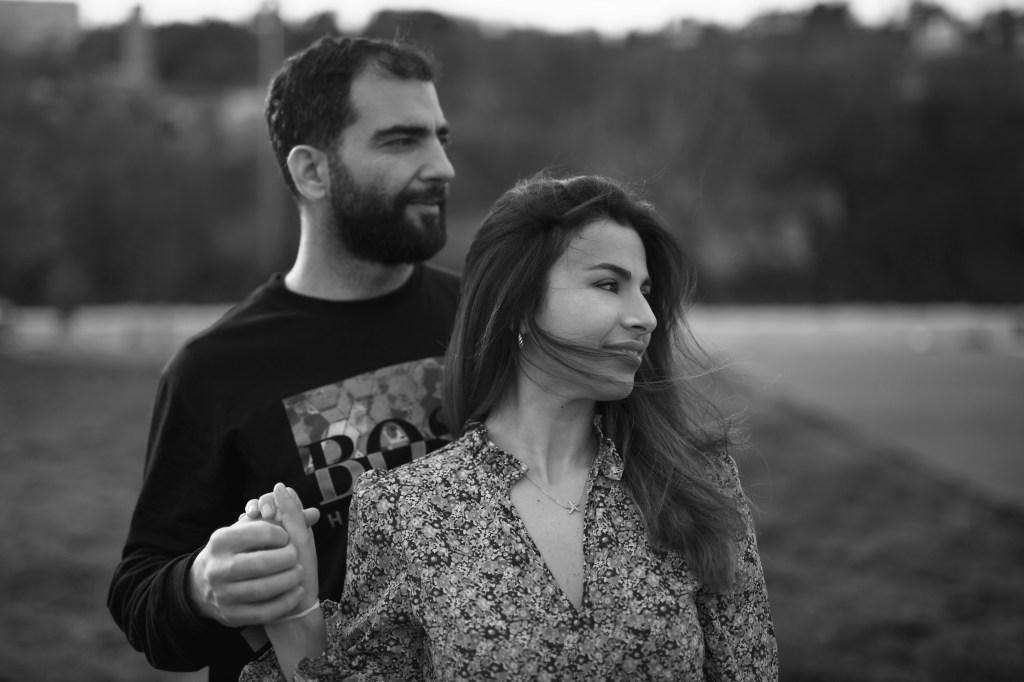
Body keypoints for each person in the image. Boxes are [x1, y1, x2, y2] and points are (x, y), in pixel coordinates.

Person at [241, 174, 778, 680]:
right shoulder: (405, 510)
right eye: (609, 284)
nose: (646, 316)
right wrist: (295, 610)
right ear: (517, 303)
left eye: (644, 290)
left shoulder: (696, 481)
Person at [106, 36, 459, 682]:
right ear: (312, 172)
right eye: (401, 141)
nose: (442, 167)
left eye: (440, 138)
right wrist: (201, 587)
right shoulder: (214, 369)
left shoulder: (485, 320)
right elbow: (139, 594)